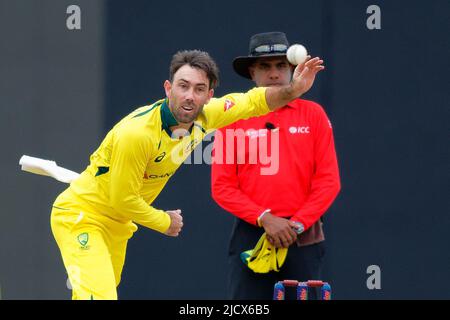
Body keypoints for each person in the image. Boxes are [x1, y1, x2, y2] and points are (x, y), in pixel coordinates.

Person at [50, 49, 325, 299]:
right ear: (168, 88)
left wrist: (293, 90)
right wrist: (164, 221)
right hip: (82, 216)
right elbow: (123, 198)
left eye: (199, 89)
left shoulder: (208, 116)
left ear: (209, 96)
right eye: (183, 86)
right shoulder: (136, 135)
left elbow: (254, 101)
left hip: (118, 225)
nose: (189, 96)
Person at [211, 32, 340, 299]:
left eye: (281, 65)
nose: (274, 73)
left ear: (291, 69)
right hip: (252, 234)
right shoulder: (232, 117)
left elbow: (328, 181)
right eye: (265, 66)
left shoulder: (313, 114)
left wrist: (297, 225)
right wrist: (265, 218)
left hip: (302, 235)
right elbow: (222, 187)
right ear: (252, 73)